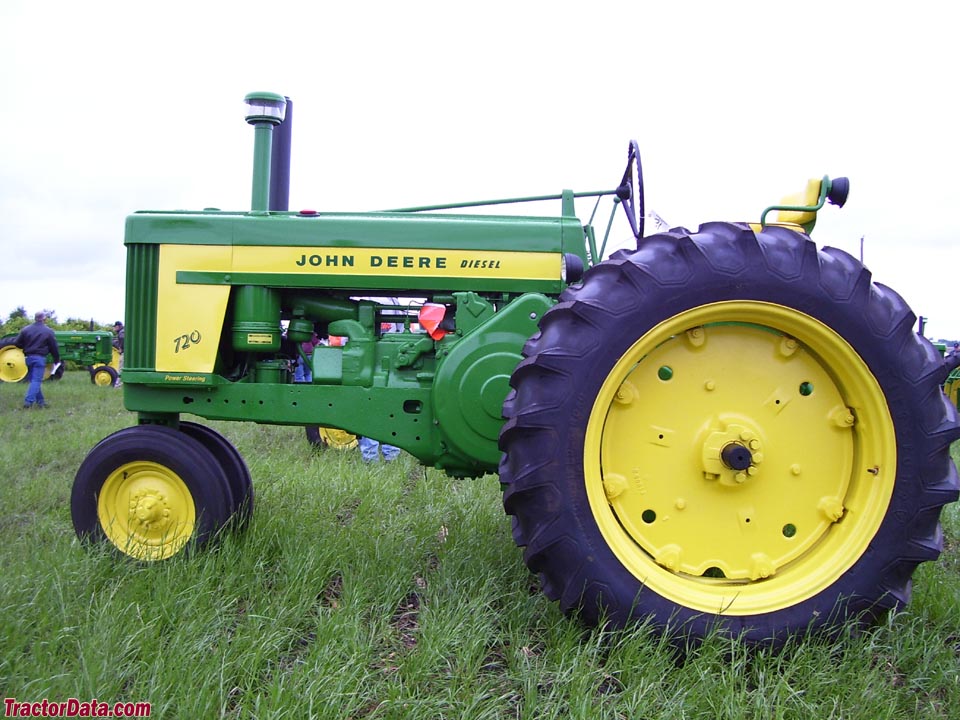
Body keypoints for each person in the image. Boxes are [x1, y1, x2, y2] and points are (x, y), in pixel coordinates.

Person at [13, 311, 60, 409]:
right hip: (39, 358)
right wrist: (56, 359)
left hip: (28, 358)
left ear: (35, 318)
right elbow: (53, 347)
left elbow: (17, 343)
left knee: (34, 380)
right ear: (44, 319)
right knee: (36, 381)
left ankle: (41, 403)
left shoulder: (25, 330)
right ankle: (28, 402)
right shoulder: (48, 331)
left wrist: (25, 346)